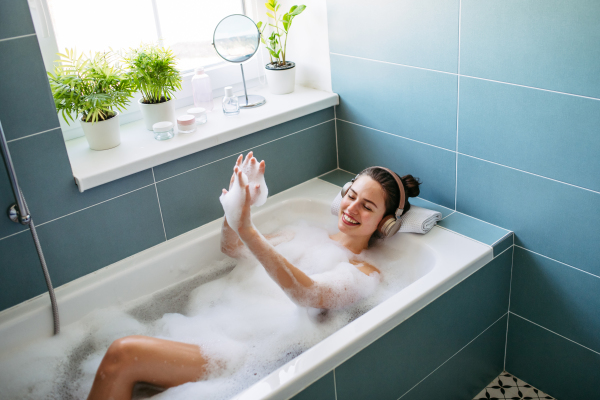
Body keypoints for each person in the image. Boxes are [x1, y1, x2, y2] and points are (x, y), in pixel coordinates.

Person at [86, 152, 420, 400]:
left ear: (386, 224)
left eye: (368, 206)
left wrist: (245, 226)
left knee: (122, 353)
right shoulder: (300, 232)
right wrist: (237, 205)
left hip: (244, 354)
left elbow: (310, 294)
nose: (351, 208)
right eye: (351, 195)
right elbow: (233, 249)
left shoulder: (364, 271)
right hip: (212, 327)